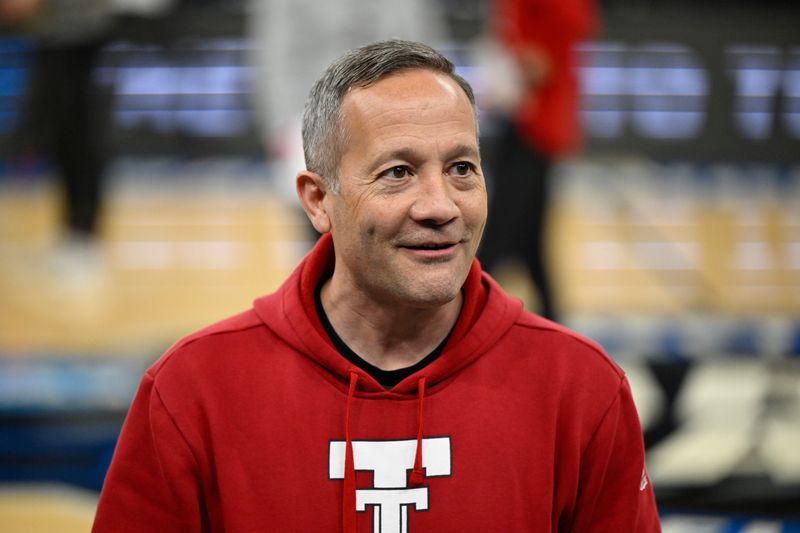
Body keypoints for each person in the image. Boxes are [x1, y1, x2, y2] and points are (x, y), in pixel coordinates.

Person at [92, 40, 660, 532]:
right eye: (398, 172)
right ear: (318, 201)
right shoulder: (192, 392)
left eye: (462, 168)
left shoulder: (583, 389)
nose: (440, 206)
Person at [478, 0, 599, 321]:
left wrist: (510, 66)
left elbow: (542, 58)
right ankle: (554, 322)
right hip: (526, 119)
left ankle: (462, 313)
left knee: (501, 232)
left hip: (534, 122)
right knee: (527, 238)